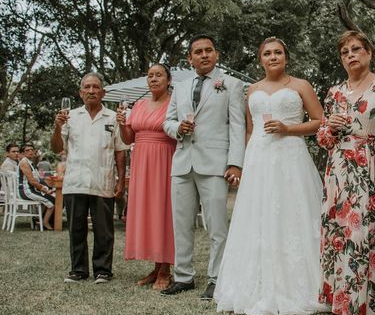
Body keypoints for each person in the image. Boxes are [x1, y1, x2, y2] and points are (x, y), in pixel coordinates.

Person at [215, 37, 328, 315]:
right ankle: (256, 283)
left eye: (278, 52)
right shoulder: (252, 89)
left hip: (290, 156)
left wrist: (288, 128)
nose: (273, 57)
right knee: (258, 215)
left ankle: (302, 285)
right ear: (260, 59)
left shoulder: (301, 86)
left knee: (293, 213)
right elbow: (250, 130)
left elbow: (319, 122)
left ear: (286, 58)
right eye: (267, 53)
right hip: (259, 159)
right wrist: (241, 164)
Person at [317, 30, 375, 315]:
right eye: (345, 52)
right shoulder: (334, 92)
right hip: (338, 169)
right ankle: (342, 304)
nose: (350, 55)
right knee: (340, 233)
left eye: (355, 49)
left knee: (366, 233)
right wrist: (331, 128)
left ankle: (370, 306)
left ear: (368, 52)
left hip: (371, 167)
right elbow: (323, 138)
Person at [162, 34, 245, 300]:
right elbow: (167, 121)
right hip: (183, 162)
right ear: (190, 58)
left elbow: (237, 125)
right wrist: (178, 128)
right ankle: (183, 276)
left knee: (217, 225)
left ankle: (217, 278)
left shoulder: (232, 84)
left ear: (217, 54)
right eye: (198, 51)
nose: (204, 55)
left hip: (215, 164)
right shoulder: (181, 87)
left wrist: (235, 163)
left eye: (209, 50)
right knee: (181, 224)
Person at [51, 72, 128, 284]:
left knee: (104, 230)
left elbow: (120, 151)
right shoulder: (70, 116)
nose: (92, 91)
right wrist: (57, 127)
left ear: (103, 92)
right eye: (87, 87)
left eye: (96, 87)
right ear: (81, 92)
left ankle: (103, 270)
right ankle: (78, 270)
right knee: (76, 228)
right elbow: (57, 148)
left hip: (102, 181)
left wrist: (121, 181)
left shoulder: (113, 117)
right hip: (75, 181)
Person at [116, 64, 176, 290]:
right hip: (141, 162)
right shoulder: (139, 104)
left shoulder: (175, 103)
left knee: (164, 212)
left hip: (165, 159)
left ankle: (165, 269)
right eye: (150, 75)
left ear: (168, 79)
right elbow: (129, 138)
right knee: (148, 212)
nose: (153, 79)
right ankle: (155, 266)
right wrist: (122, 123)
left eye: (158, 75)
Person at [17, 143, 55, 230]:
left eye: (31, 149)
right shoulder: (24, 162)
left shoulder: (30, 162)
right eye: (27, 150)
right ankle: (45, 222)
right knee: (51, 203)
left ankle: (38, 220)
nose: (30, 151)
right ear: (23, 153)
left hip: (30, 189)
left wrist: (45, 188)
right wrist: (45, 190)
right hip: (25, 191)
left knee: (50, 198)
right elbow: (32, 181)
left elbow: (36, 179)